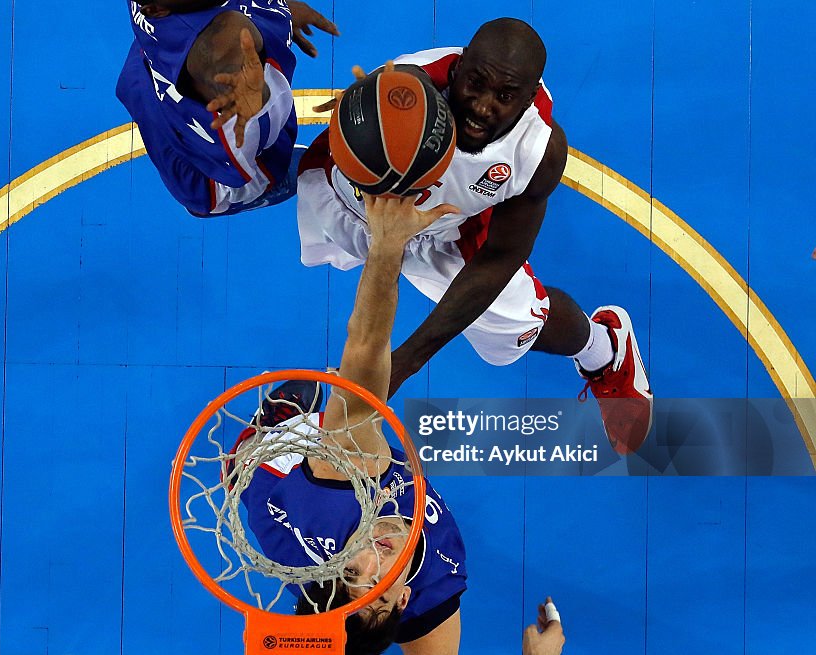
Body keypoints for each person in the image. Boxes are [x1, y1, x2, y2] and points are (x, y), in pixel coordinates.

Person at [297, 18, 653, 455]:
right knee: (236, 175)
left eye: (504, 97)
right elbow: (369, 115)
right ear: (459, 69)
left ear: (526, 100)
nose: (483, 106)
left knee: (519, 323)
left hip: (443, 230)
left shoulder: (538, 151)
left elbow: (500, 257)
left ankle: (604, 349)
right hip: (355, 208)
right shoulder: (409, 89)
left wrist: (404, 363)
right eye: (476, 85)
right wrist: (362, 114)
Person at [233, 194, 564, 655]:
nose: (372, 555)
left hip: (287, 507)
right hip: (354, 587)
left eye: (351, 572)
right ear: (404, 598)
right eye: (380, 588)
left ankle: (268, 436)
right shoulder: (430, 594)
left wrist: (387, 244)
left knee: (262, 468)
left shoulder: (344, 480)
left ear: (335, 567)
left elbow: (365, 347)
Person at [115, 0, 337, 216]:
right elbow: (225, 44)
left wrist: (280, 9)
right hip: (215, 171)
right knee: (272, 162)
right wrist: (279, 18)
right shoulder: (221, 46)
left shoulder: (162, 8)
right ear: (156, 9)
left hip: (151, 86)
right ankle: (257, 190)